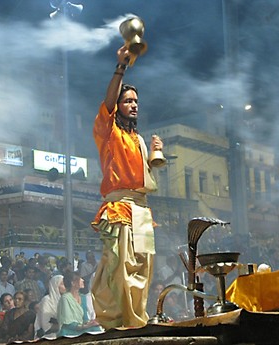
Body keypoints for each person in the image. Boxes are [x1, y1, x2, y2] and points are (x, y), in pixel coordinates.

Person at [90, 44, 164, 330]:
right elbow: (108, 101)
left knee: (142, 269)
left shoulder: (139, 139)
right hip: (119, 206)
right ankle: (116, 322)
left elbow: (143, 176)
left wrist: (155, 153)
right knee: (119, 266)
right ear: (117, 107)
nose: (134, 105)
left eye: (136, 101)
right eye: (128, 101)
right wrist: (120, 67)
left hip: (142, 210)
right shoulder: (107, 132)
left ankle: (137, 321)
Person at [57, 271, 103, 337]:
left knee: (96, 329)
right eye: (80, 279)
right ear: (73, 283)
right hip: (70, 331)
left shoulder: (83, 297)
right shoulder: (65, 298)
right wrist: (84, 326)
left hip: (81, 329)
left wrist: (91, 323)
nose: (83, 280)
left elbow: (84, 318)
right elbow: (68, 323)